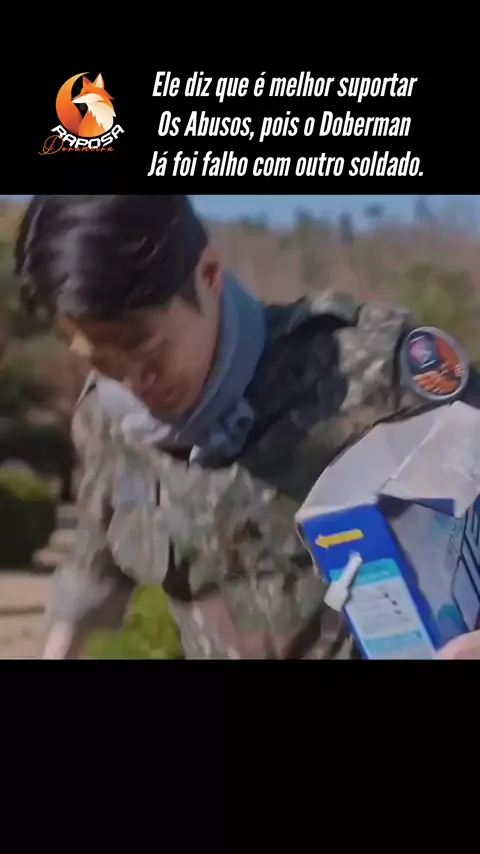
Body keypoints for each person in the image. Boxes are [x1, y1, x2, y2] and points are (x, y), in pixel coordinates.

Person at [13, 194, 480, 660]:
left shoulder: (374, 369)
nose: (134, 384)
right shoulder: (107, 421)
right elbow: (99, 552)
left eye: (148, 350)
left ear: (209, 274)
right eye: (103, 363)